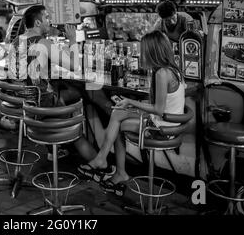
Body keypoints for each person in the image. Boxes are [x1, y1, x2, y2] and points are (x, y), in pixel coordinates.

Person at [78, 31, 185, 195]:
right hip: (166, 122)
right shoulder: (172, 69)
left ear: (152, 51)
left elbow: (158, 109)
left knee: (117, 124)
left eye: (144, 50)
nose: (142, 53)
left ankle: (107, 163)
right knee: (118, 113)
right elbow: (165, 105)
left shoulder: (162, 74)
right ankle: (111, 165)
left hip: (161, 129)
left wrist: (130, 102)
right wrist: (134, 106)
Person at [6, 5, 97, 161]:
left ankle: (53, 148)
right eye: (47, 17)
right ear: (37, 23)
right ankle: (99, 164)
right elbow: (75, 66)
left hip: (23, 103)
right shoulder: (44, 43)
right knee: (84, 94)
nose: (50, 21)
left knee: (60, 95)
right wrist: (73, 39)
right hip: (40, 105)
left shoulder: (16, 41)